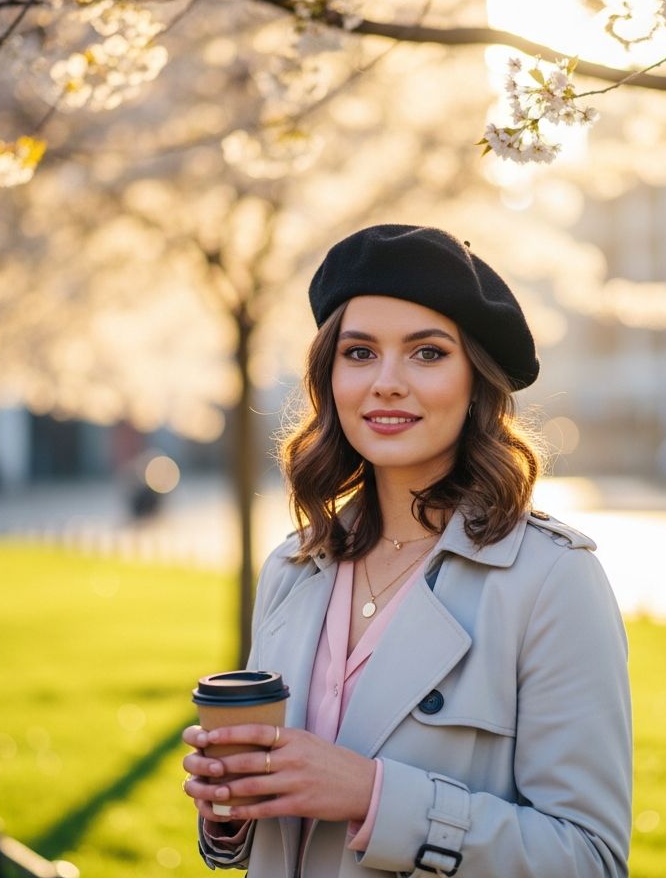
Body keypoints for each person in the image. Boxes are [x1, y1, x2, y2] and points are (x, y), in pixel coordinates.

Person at [181, 224, 632, 877]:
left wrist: (373, 796)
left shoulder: (552, 581)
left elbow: (588, 858)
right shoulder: (293, 566)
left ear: (476, 381)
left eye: (426, 353)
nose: (386, 383)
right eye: (359, 353)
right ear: (328, 376)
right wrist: (229, 810)